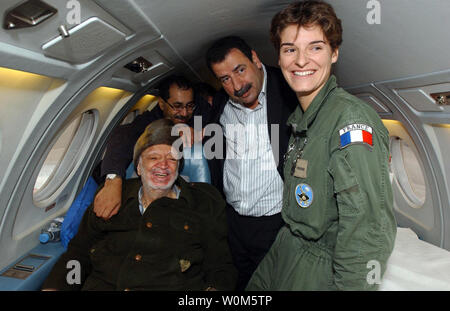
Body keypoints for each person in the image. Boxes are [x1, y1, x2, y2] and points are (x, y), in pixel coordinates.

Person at [246, 0, 397, 291]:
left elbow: (367, 231)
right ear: (279, 58)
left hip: (320, 266)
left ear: (334, 53)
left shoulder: (350, 122)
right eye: (290, 49)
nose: (301, 61)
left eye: (315, 47)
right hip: (285, 247)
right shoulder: (301, 121)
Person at [42, 119, 236, 290]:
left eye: (172, 158)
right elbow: (78, 255)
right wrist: (58, 287)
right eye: (153, 158)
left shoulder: (204, 203)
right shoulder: (110, 198)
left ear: (179, 167)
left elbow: (220, 268)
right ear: (139, 167)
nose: (163, 165)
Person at [205, 36, 298, 290]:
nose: (236, 85)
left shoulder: (290, 89)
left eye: (240, 70)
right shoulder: (222, 101)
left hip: (275, 221)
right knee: (240, 283)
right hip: (232, 220)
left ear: (256, 59)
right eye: (225, 79)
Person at [94, 75, 204, 219]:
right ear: (162, 104)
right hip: (106, 175)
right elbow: (123, 134)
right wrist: (113, 180)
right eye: (177, 106)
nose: (184, 113)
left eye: (189, 106)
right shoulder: (148, 121)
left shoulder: (198, 116)